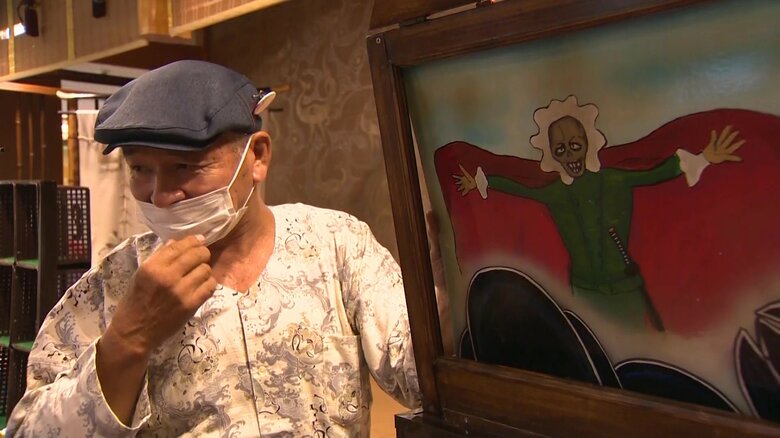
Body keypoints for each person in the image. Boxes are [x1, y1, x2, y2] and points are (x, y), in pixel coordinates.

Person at [7, 60, 420, 437]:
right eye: (141, 170)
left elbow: (418, 378)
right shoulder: (111, 285)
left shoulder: (336, 245)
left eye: (185, 166)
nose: (161, 195)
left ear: (257, 157)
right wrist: (128, 338)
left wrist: (445, 303)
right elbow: (30, 431)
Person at [454, 95, 744, 332]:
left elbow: (657, 172)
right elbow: (519, 188)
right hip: (585, 295)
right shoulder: (557, 193)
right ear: (552, 154)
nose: (570, 155)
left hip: (625, 292)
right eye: (561, 149)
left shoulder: (615, 180)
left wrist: (705, 158)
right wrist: (481, 182)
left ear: (588, 143)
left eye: (575, 146)